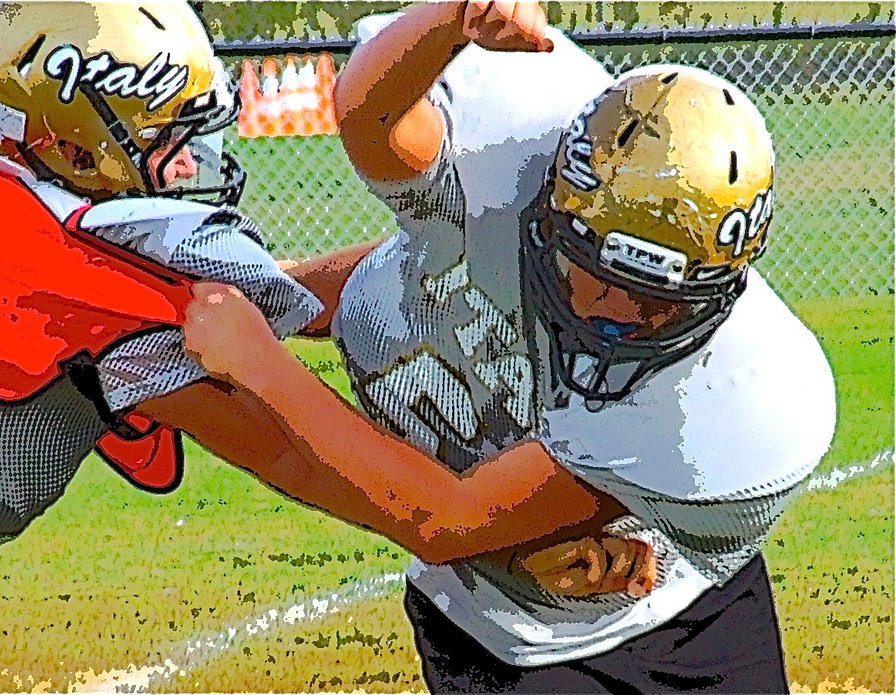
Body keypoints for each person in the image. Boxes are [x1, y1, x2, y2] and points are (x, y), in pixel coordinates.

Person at [0, 3, 651, 692]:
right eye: (162, 136)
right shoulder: (82, 276)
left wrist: (465, 249)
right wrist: (501, 534)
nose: (189, 161)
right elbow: (292, 449)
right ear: (71, 140)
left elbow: (262, 299)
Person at [179, 1, 836, 693]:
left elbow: (449, 515)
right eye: (601, 277)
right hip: (495, 635)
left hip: (689, 616)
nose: (618, 317)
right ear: (552, 209)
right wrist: (451, 18)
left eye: (658, 302)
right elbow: (372, 121)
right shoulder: (507, 174)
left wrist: (261, 363)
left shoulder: (741, 392)